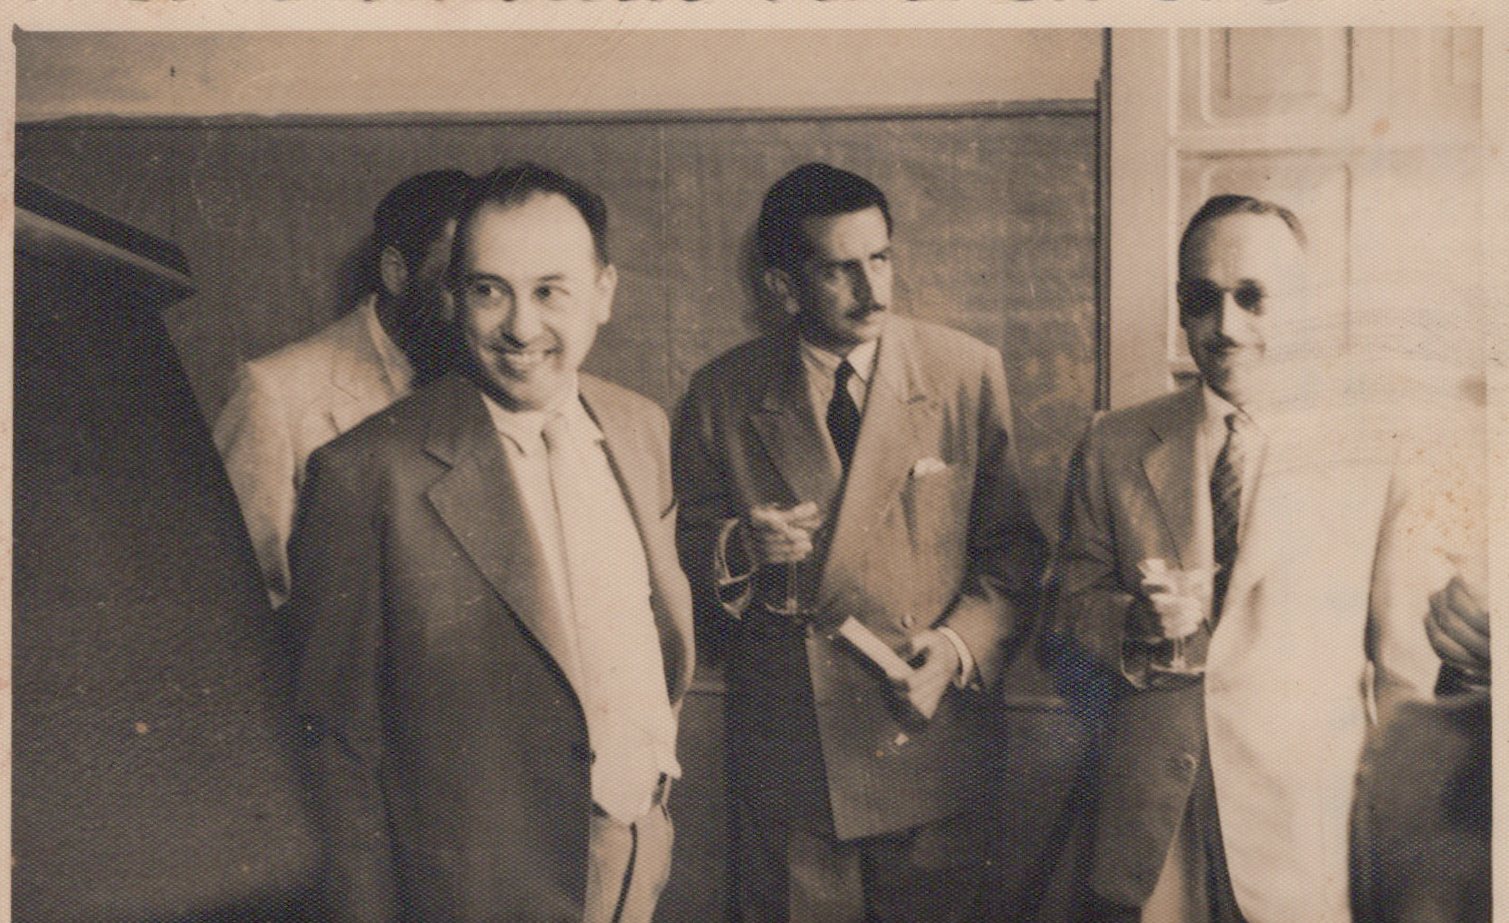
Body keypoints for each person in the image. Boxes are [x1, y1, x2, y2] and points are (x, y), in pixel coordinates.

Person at [291, 162, 694, 922]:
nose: (520, 327)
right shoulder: (366, 472)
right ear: (453, 296)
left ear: (604, 292)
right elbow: (336, 749)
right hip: (471, 891)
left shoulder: (640, 427)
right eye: (489, 290)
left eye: (550, 291)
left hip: (635, 852)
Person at [1049, 195, 1442, 923]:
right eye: (1202, 300)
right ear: (1180, 306)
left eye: (1252, 297)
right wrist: (1133, 624)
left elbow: (1406, 672)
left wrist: (1396, 840)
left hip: (1305, 826)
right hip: (1153, 825)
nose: (1225, 327)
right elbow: (1066, 617)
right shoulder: (1114, 443)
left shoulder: (1375, 449)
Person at [673, 162, 1046, 921]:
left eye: (880, 259)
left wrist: (956, 649)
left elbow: (1012, 553)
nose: (872, 290)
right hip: (792, 761)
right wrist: (739, 548)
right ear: (782, 285)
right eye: (839, 269)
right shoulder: (722, 393)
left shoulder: (965, 372)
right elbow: (678, 554)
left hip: (928, 740)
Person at [214, 168, 471, 609]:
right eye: (456, 280)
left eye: (486, 284)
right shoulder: (274, 392)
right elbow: (238, 600)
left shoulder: (490, 378)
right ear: (396, 272)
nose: (479, 308)